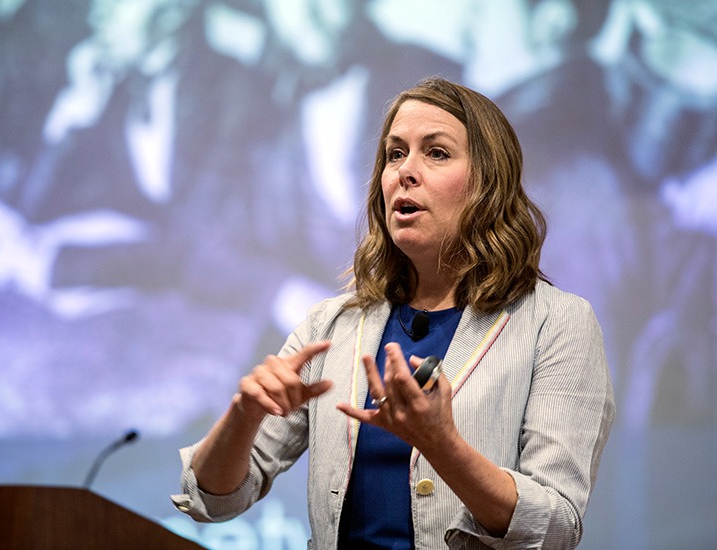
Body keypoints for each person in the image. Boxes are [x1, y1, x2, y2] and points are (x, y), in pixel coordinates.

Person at [171, 77, 616, 549]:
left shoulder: (556, 323)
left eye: (437, 153)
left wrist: (442, 445)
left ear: (489, 184)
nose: (405, 171)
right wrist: (244, 413)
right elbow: (213, 500)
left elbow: (555, 530)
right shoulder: (331, 324)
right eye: (394, 153)